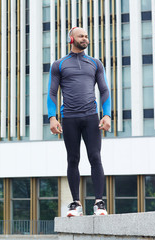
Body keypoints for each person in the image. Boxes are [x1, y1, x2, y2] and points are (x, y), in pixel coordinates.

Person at [47, 27, 111, 217]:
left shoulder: (95, 63)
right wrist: (52, 117)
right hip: (70, 118)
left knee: (95, 157)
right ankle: (75, 204)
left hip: (91, 117)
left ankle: (99, 203)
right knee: (73, 159)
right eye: (82, 36)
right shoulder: (59, 64)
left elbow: (105, 90)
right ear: (72, 39)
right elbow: (52, 92)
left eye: (87, 36)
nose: (86, 39)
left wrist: (106, 114)